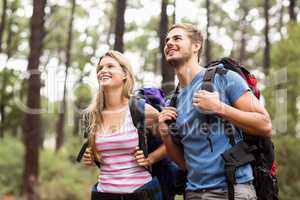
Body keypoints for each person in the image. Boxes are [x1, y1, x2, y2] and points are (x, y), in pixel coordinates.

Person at [158, 23, 272, 200]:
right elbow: (183, 163)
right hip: (193, 193)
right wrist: (165, 135)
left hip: (232, 190)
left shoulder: (225, 78)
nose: (169, 43)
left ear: (196, 46)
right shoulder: (172, 101)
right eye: (167, 41)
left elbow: (265, 124)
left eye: (177, 38)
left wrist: (219, 107)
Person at [82, 50, 165, 200]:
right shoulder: (93, 115)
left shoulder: (141, 110)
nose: (103, 71)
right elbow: (101, 156)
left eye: (110, 66)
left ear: (125, 74)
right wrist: (92, 156)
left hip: (140, 194)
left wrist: (151, 158)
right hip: (103, 195)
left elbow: (171, 142)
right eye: (100, 68)